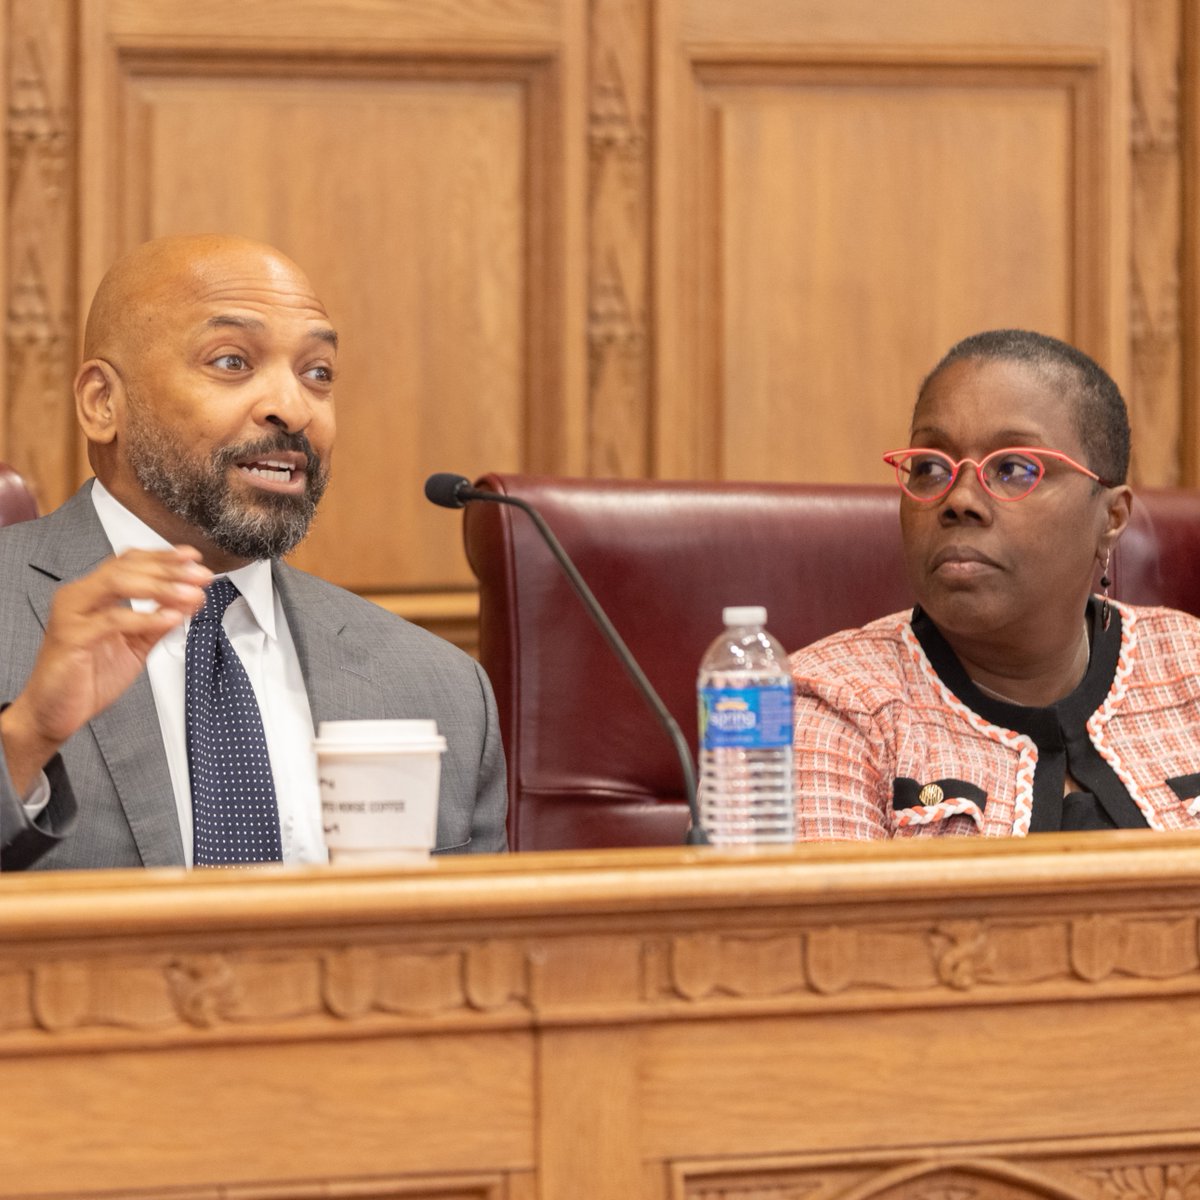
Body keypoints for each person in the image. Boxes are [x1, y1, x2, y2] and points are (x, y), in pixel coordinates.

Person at [0, 234, 507, 869]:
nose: (292, 409)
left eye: (317, 374)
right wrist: (25, 739)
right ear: (104, 403)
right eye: (232, 362)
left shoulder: (440, 690)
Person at [791, 328, 1200, 838]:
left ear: (1112, 517)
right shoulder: (829, 708)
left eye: (1013, 468)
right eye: (930, 467)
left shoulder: (1190, 669)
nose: (959, 498)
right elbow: (830, 920)